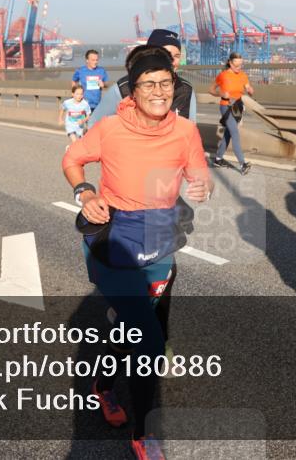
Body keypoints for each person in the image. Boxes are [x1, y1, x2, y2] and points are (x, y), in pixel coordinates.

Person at [62, 47, 212, 460]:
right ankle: (145, 436)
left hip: (162, 238)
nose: (160, 91)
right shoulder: (110, 128)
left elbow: (198, 171)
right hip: (117, 242)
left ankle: (103, 388)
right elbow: (73, 159)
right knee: (150, 339)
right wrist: (85, 191)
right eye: (150, 83)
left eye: (166, 83)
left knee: (129, 331)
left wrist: (201, 185)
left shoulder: (185, 131)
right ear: (133, 89)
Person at [88, 29, 196, 129]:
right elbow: (94, 125)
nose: (172, 61)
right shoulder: (123, 88)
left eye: (176, 56)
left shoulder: (186, 90)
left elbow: (191, 130)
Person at [209, 52, 254, 174]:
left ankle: (218, 159)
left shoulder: (243, 75)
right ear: (230, 63)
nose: (239, 68)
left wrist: (250, 90)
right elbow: (211, 90)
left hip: (238, 107)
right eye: (236, 65)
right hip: (226, 107)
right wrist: (221, 94)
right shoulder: (223, 76)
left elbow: (248, 87)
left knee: (228, 134)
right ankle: (242, 164)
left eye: (241, 65)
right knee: (235, 133)